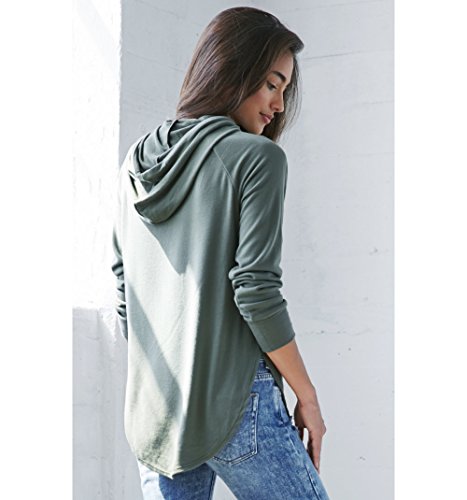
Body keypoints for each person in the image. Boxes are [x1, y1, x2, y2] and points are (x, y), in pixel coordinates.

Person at [111, 6, 331, 499]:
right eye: (271, 84)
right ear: (232, 69)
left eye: (284, 90)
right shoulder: (259, 158)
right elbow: (255, 290)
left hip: (156, 409)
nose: (278, 105)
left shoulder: (136, 163)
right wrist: (308, 396)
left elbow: (126, 292)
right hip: (235, 401)